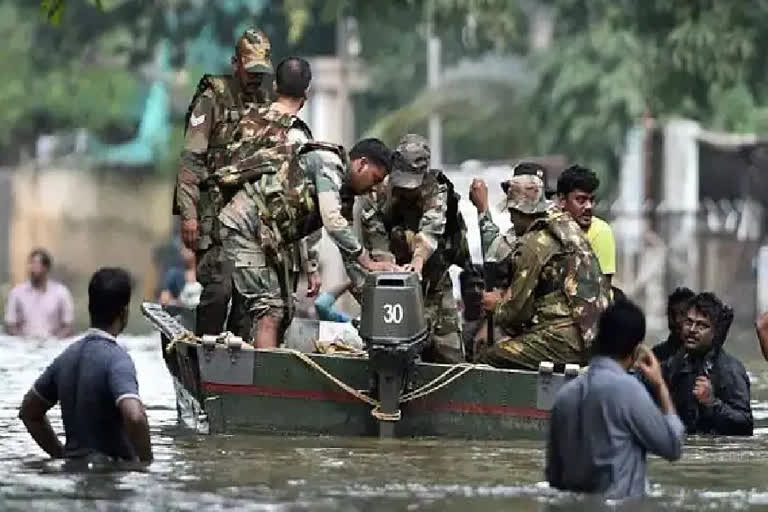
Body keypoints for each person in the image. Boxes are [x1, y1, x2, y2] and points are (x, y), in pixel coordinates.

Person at [172, 27, 273, 339]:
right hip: (213, 213)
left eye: (261, 71)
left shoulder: (266, 103)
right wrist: (188, 215)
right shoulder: (212, 99)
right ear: (235, 64)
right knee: (220, 286)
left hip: (251, 217)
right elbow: (191, 160)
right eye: (250, 69)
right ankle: (205, 348)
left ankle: (236, 361)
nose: (256, 78)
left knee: (248, 296)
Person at [546, 299, 684, 499]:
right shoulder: (628, 391)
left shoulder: (565, 395)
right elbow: (673, 447)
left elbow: (554, 478)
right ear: (636, 349)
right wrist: (660, 385)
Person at [351, 133, 471, 363]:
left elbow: (430, 231)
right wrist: (393, 272)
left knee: (450, 357)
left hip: (434, 281)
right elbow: (378, 244)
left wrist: (417, 263)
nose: (407, 190)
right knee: (392, 354)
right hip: (392, 286)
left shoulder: (436, 189)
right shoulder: (377, 194)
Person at [475, 174, 610, 369]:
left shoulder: (534, 244)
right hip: (592, 334)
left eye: (512, 213)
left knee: (489, 357)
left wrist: (495, 305)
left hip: (565, 338)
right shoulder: (566, 227)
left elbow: (516, 312)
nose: (511, 219)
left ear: (518, 211)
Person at [18, 267, 152, 463]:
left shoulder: (65, 358)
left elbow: (29, 412)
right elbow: (134, 416)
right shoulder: (117, 359)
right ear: (124, 312)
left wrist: (61, 455)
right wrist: (146, 465)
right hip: (110, 476)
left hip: (74, 474)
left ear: (91, 307)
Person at [662, 292, 753, 436]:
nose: (692, 330)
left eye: (701, 326)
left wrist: (713, 403)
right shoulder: (675, 364)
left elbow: (746, 425)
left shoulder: (729, 369)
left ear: (715, 332)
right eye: (688, 322)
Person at [469, 161, 550, 265]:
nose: (512, 218)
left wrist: (483, 209)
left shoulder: (533, 242)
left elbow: (494, 255)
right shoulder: (562, 229)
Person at [556, 165, 616, 284]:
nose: (589, 206)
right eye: (581, 200)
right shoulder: (548, 229)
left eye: (591, 200)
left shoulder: (601, 231)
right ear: (562, 201)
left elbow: (603, 287)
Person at [5, 248, 74, 339]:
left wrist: (55, 340)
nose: (33, 268)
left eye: (37, 264)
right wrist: (21, 339)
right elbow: (11, 324)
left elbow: (68, 325)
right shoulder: (17, 293)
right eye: (31, 263)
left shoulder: (61, 292)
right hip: (22, 346)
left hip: (53, 345)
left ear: (46, 268)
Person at [652, 287, 695, 362]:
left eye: (683, 314)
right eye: (672, 314)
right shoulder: (656, 354)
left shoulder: (705, 355)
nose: (677, 320)